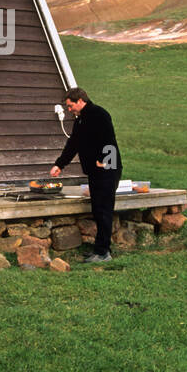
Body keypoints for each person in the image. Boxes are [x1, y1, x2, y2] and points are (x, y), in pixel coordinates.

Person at [50, 86, 121, 263]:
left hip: (107, 170)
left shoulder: (99, 114)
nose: (69, 109)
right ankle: (100, 250)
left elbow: (109, 140)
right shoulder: (80, 120)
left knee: (104, 210)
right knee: (98, 210)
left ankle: (103, 253)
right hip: (96, 172)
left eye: (70, 105)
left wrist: (104, 162)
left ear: (80, 101)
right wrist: (60, 164)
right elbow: (73, 144)